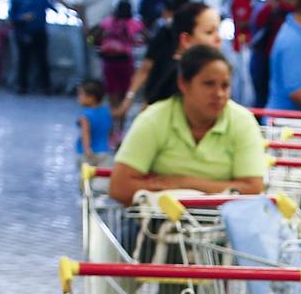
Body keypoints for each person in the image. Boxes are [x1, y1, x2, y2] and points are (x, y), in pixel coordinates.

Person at [105, 44, 268, 202]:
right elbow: (119, 187)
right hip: (159, 224)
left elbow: (253, 188)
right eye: (209, 84)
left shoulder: (242, 122)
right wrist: (221, 189)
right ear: (183, 84)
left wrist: (181, 184)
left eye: (225, 86)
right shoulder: (154, 119)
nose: (219, 94)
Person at [9, 0, 59, 95]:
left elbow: (54, 6)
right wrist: (22, 18)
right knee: (24, 60)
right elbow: (12, 18)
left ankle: (46, 86)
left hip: (39, 32)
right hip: (23, 33)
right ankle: (22, 85)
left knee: (42, 59)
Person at [70, 0, 119, 87]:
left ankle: (93, 85)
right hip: (84, 27)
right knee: (80, 57)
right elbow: (78, 5)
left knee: (94, 57)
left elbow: (109, 11)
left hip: (99, 31)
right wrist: (85, 24)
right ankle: (80, 84)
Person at [96, 0, 142, 112]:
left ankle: (113, 120)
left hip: (109, 61)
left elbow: (97, 36)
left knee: (112, 92)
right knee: (124, 93)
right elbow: (146, 36)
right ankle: (120, 125)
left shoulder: (107, 22)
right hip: (125, 61)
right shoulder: (133, 23)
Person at [73, 78, 115, 164]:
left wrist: (87, 149)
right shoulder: (107, 111)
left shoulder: (85, 116)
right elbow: (110, 130)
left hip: (88, 154)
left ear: (91, 98)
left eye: (81, 94)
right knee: (102, 175)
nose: (78, 98)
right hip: (104, 152)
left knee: (86, 176)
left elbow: (85, 133)